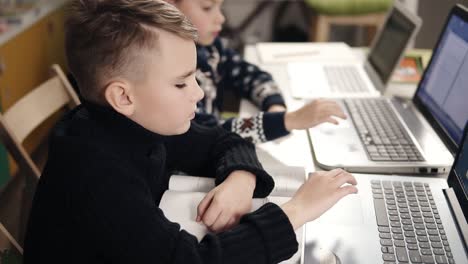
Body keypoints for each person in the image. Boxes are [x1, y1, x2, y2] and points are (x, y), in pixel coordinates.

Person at [23, 1, 358, 263]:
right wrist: (295, 212)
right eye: (181, 82)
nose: (198, 93)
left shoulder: (134, 120)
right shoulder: (95, 172)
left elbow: (224, 140)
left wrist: (241, 179)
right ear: (123, 96)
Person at [165, 0, 347, 144]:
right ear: (169, 4)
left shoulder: (210, 48)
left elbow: (249, 75)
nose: (220, 18)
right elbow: (210, 136)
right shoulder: (174, 71)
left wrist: (274, 104)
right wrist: (286, 121)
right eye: (207, 8)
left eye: (220, 7)